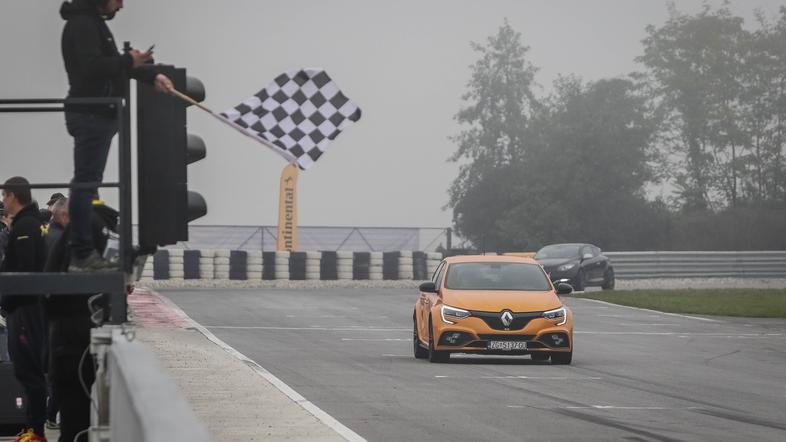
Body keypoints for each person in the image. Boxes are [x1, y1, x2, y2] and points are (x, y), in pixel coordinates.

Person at [60, 0, 173, 271]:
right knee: (86, 182)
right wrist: (127, 60)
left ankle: (84, 253)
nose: (121, 5)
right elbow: (93, 68)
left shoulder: (90, 23)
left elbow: (113, 66)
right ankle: (82, 253)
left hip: (98, 113)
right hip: (91, 113)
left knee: (88, 181)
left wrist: (150, 73)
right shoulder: (84, 25)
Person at [45, 201, 117, 442]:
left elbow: (54, 281)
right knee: (87, 412)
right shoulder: (108, 228)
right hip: (92, 330)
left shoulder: (81, 228)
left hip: (72, 335)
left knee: (73, 412)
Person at [0, 177, 49, 442]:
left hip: (26, 309)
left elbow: (25, 271)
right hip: (21, 309)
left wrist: (8, 302)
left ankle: (37, 431)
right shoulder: (24, 224)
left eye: (4, 196)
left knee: (30, 371)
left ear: (13, 196)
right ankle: (32, 427)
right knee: (24, 370)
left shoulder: (26, 226)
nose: (3, 201)